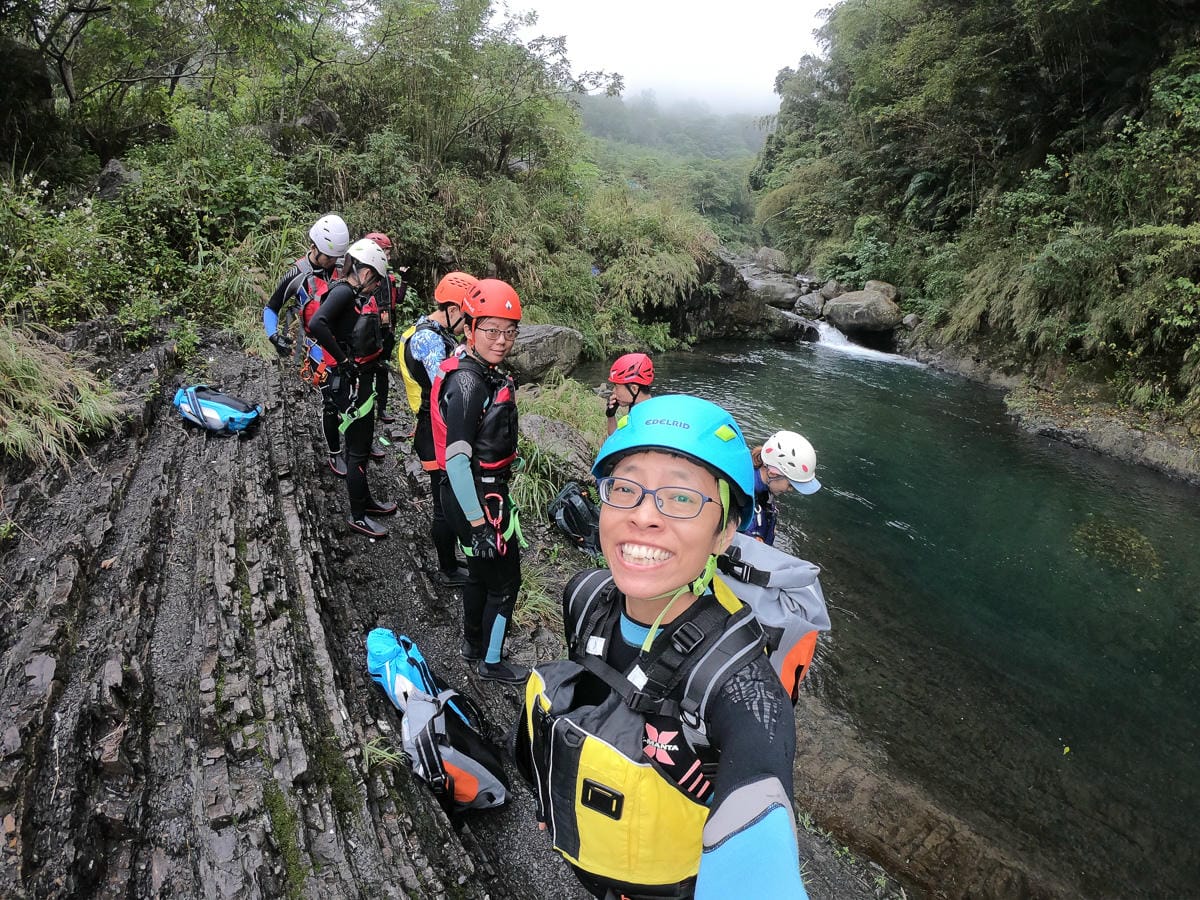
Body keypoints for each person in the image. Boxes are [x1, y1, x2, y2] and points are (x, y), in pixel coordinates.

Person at [515, 395, 808, 899]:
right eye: (626, 488)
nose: (644, 517)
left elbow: (760, 818)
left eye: (681, 498)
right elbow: (594, 697)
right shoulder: (585, 596)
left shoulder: (739, 684)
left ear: (725, 533)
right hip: (591, 853)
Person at [431, 279, 528, 683]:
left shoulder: (477, 371)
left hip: (468, 494)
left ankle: (472, 643)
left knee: (477, 571)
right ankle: (491, 662)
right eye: (491, 330)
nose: (502, 340)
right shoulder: (469, 385)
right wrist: (478, 525)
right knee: (506, 584)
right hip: (476, 497)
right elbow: (456, 462)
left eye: (509, 330)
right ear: (470, 328)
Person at [306, 237, 397, 538]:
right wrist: (344, 361)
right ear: (365, 272)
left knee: (363, 441)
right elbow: (317, 323)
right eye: (376, 281)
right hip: (348, 381)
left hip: (356, 378)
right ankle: (358, 515)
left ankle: (365, 502)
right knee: (357, 451)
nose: (375, 288)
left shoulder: (348, 292)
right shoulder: (344, 292)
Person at [399, 271, 475, 585]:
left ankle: (450, 560)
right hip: (434, 433)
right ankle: (447, 569)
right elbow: (446, 389)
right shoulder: (428, 339)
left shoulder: (427, 329)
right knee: (444, 503)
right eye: (467, 318)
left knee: (446, 498)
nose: (469, 326)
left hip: (432, 428)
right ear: (453, 310)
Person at [262, 214, 349, 358]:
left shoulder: (342, 266)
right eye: (328, 257)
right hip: (317, 348)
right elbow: (271, 307)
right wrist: (274, 336)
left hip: (344, 343)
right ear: (313, 247)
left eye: (337, 257)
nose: (333, 261)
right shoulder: (297, 274)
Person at [362, 231, 408, 427]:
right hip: (370, 332)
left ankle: (381, 408)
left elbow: (398, 300)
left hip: (386, 330)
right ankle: (365, 409)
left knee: (382, 369)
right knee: (367, 371)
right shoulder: (365, 279)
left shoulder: (388, 279)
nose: (388, 257)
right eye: (385, 253)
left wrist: (404, 279)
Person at [744, 430, 821, 546]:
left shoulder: (762, 483)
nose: (790, 490)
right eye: (790, 485)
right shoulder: (746, 501)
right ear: (773, 474)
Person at [605, 352, 654, 435]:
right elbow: (613, 439)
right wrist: (611, 416)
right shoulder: (637, 409)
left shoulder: (649, 420)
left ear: (634, 389)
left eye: (616, 387)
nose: (613, 391)